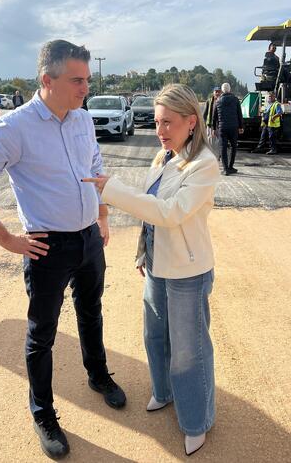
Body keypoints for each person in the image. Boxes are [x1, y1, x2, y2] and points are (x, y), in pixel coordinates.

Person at [0, 39, 126, 460]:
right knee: (42, 335)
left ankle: (98, 374)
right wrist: (7, 239)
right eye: (77, 80)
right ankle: (44, 413)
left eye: (87, 80)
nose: (85, 88)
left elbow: (94, 167)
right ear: (47, 80)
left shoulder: (81, 119)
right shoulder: (15, 128)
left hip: (89, 239)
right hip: (47, 247)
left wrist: (102, 215)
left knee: (92, 311)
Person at [83, 84, 220, 456]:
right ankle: (164, 391)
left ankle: (197, 421)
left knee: (189, 350)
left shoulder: (204, 163)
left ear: (191, 122)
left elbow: (169, 213)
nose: (160, 130)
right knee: (155, 335)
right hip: (158, 263)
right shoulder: (163, 156)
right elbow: (150, 217)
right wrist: (143, 253)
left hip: (188, 271)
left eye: (168, 122)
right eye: (158, 122)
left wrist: (112, 190)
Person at [212, 82, 243, 175]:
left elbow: (214, 116)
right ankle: (231, 167)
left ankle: (225, 169)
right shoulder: (235, 100)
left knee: (223, 147)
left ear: (222, 91)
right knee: (234, 146)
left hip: (222, 127)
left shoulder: (218, 101)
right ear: (230, 90)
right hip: (234, 127)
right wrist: (241, 126)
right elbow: (239, 114)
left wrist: (214, 128)